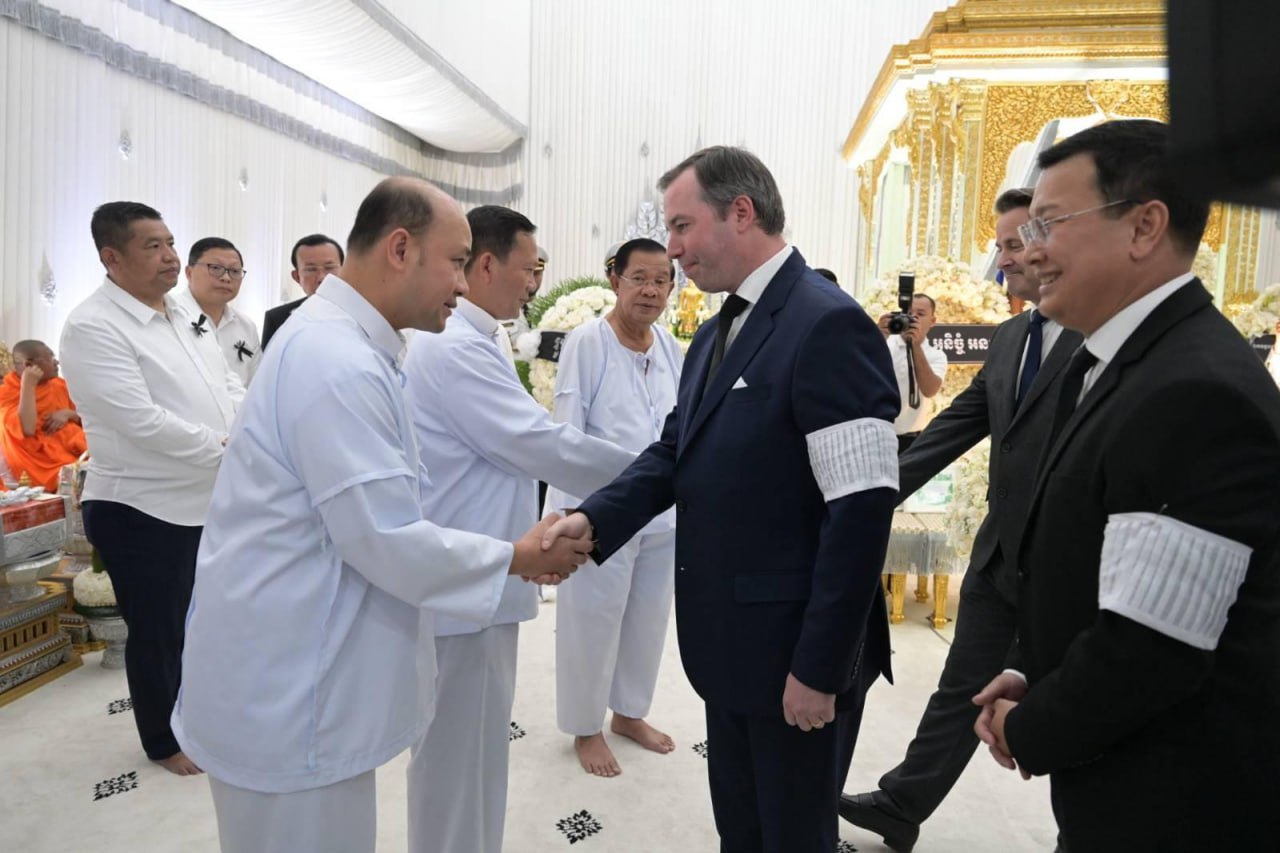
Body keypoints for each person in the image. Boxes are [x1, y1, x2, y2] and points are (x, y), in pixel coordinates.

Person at [172, 179, 593, 853]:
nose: (464, 283)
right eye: (457, 261)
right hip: (291, 688)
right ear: (401, 249)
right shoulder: (335, 360)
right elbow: (387, 538)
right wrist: (519, 556)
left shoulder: (353, 344)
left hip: (303, 668)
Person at [543, 146, 900, 852]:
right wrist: (591, 519)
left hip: (795, 658)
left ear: (741, 213)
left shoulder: (826, 323)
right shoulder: (713, 334)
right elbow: (674, 453)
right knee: (742, 828)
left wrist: (820, 668)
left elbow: (861, 511)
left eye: (682, 227)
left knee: (792, 835)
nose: (673, 251)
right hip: (731, 651)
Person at [972, 119, 1280, 851]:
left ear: (1145, 226)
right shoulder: (1120, 362)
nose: (1029, 251)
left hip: (1178, 803)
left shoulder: (1196, 391)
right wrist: (1033, 668)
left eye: (1050, 223)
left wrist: (1032, 726)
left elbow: (1153, 647)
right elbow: (1099, 562)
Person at [839, 188, 1082, 852]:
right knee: (962, 688)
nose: (1003, 262)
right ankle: (902, 805)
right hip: (1000, 557)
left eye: (1013, 245)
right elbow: (949, 432)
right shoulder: (1010, 340)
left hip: (1069, 568)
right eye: (999, 247)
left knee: (1078, 713)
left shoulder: (1102, 340)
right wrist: (863, 493)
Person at [401, 205, 634, 853]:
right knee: (454, 760)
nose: (534, 284)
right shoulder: (455, 346)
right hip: (466, 580)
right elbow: (537, 442)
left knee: (477, 754)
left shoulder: (483, 334)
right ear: (486, 264)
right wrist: (659, 472)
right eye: (528, 269)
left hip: (486, 568)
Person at [60, 201, 242, 776]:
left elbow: (226, 383)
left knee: (204, 621)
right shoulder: (93, 326)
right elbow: (137, 420)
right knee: (160, 631)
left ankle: (203, 715)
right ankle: (165, 740)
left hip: (204, 498)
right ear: (112, 258)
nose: (169, 256)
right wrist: (228, 448)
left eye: (170, 243)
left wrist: (246, 427)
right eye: (152, 246)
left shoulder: (183, 313)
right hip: (141, 505)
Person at [548, 237, 684, 777]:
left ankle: (629, 713)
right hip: (599, 513)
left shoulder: (670, 346)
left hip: (662, 510)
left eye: (661, 280)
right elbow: (565, 431)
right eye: (639, 279)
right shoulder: (588, 342)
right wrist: (566, 519)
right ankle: (586, 726)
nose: (650, 291)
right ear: (615, 281)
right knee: (591, 621)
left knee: (647, 619)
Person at [0, 340, 86, 491]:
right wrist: (28, 385)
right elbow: (27, 429)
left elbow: (90, 418)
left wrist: (69, 414)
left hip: (73, 453)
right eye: (50, 357)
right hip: (39, 466)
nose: (56, 362)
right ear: (29, 365)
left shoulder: (59, 385)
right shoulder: (7, 394)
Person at [175, 237, 260, 387]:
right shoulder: (169, 315)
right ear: (189, 272)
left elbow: (256, 385)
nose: (226, 278)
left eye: (235, 271)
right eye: (215, 268)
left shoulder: (246, 327)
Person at [880, 293, 947, 453]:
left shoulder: (936, 355)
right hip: (878, 434)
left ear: (932, 321)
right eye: (908, 314)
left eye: (920, 314)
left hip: (909, 440)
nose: (913, 319)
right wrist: (878, 335)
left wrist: (915, 346)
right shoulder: (884, 344)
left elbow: (930, 390)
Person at [260, 233, 344, 349]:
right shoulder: (278, 319)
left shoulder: (363, 314)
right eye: (311, 269)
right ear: (297, 277)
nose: (322, 278)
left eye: (329, 268)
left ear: (344, 272)